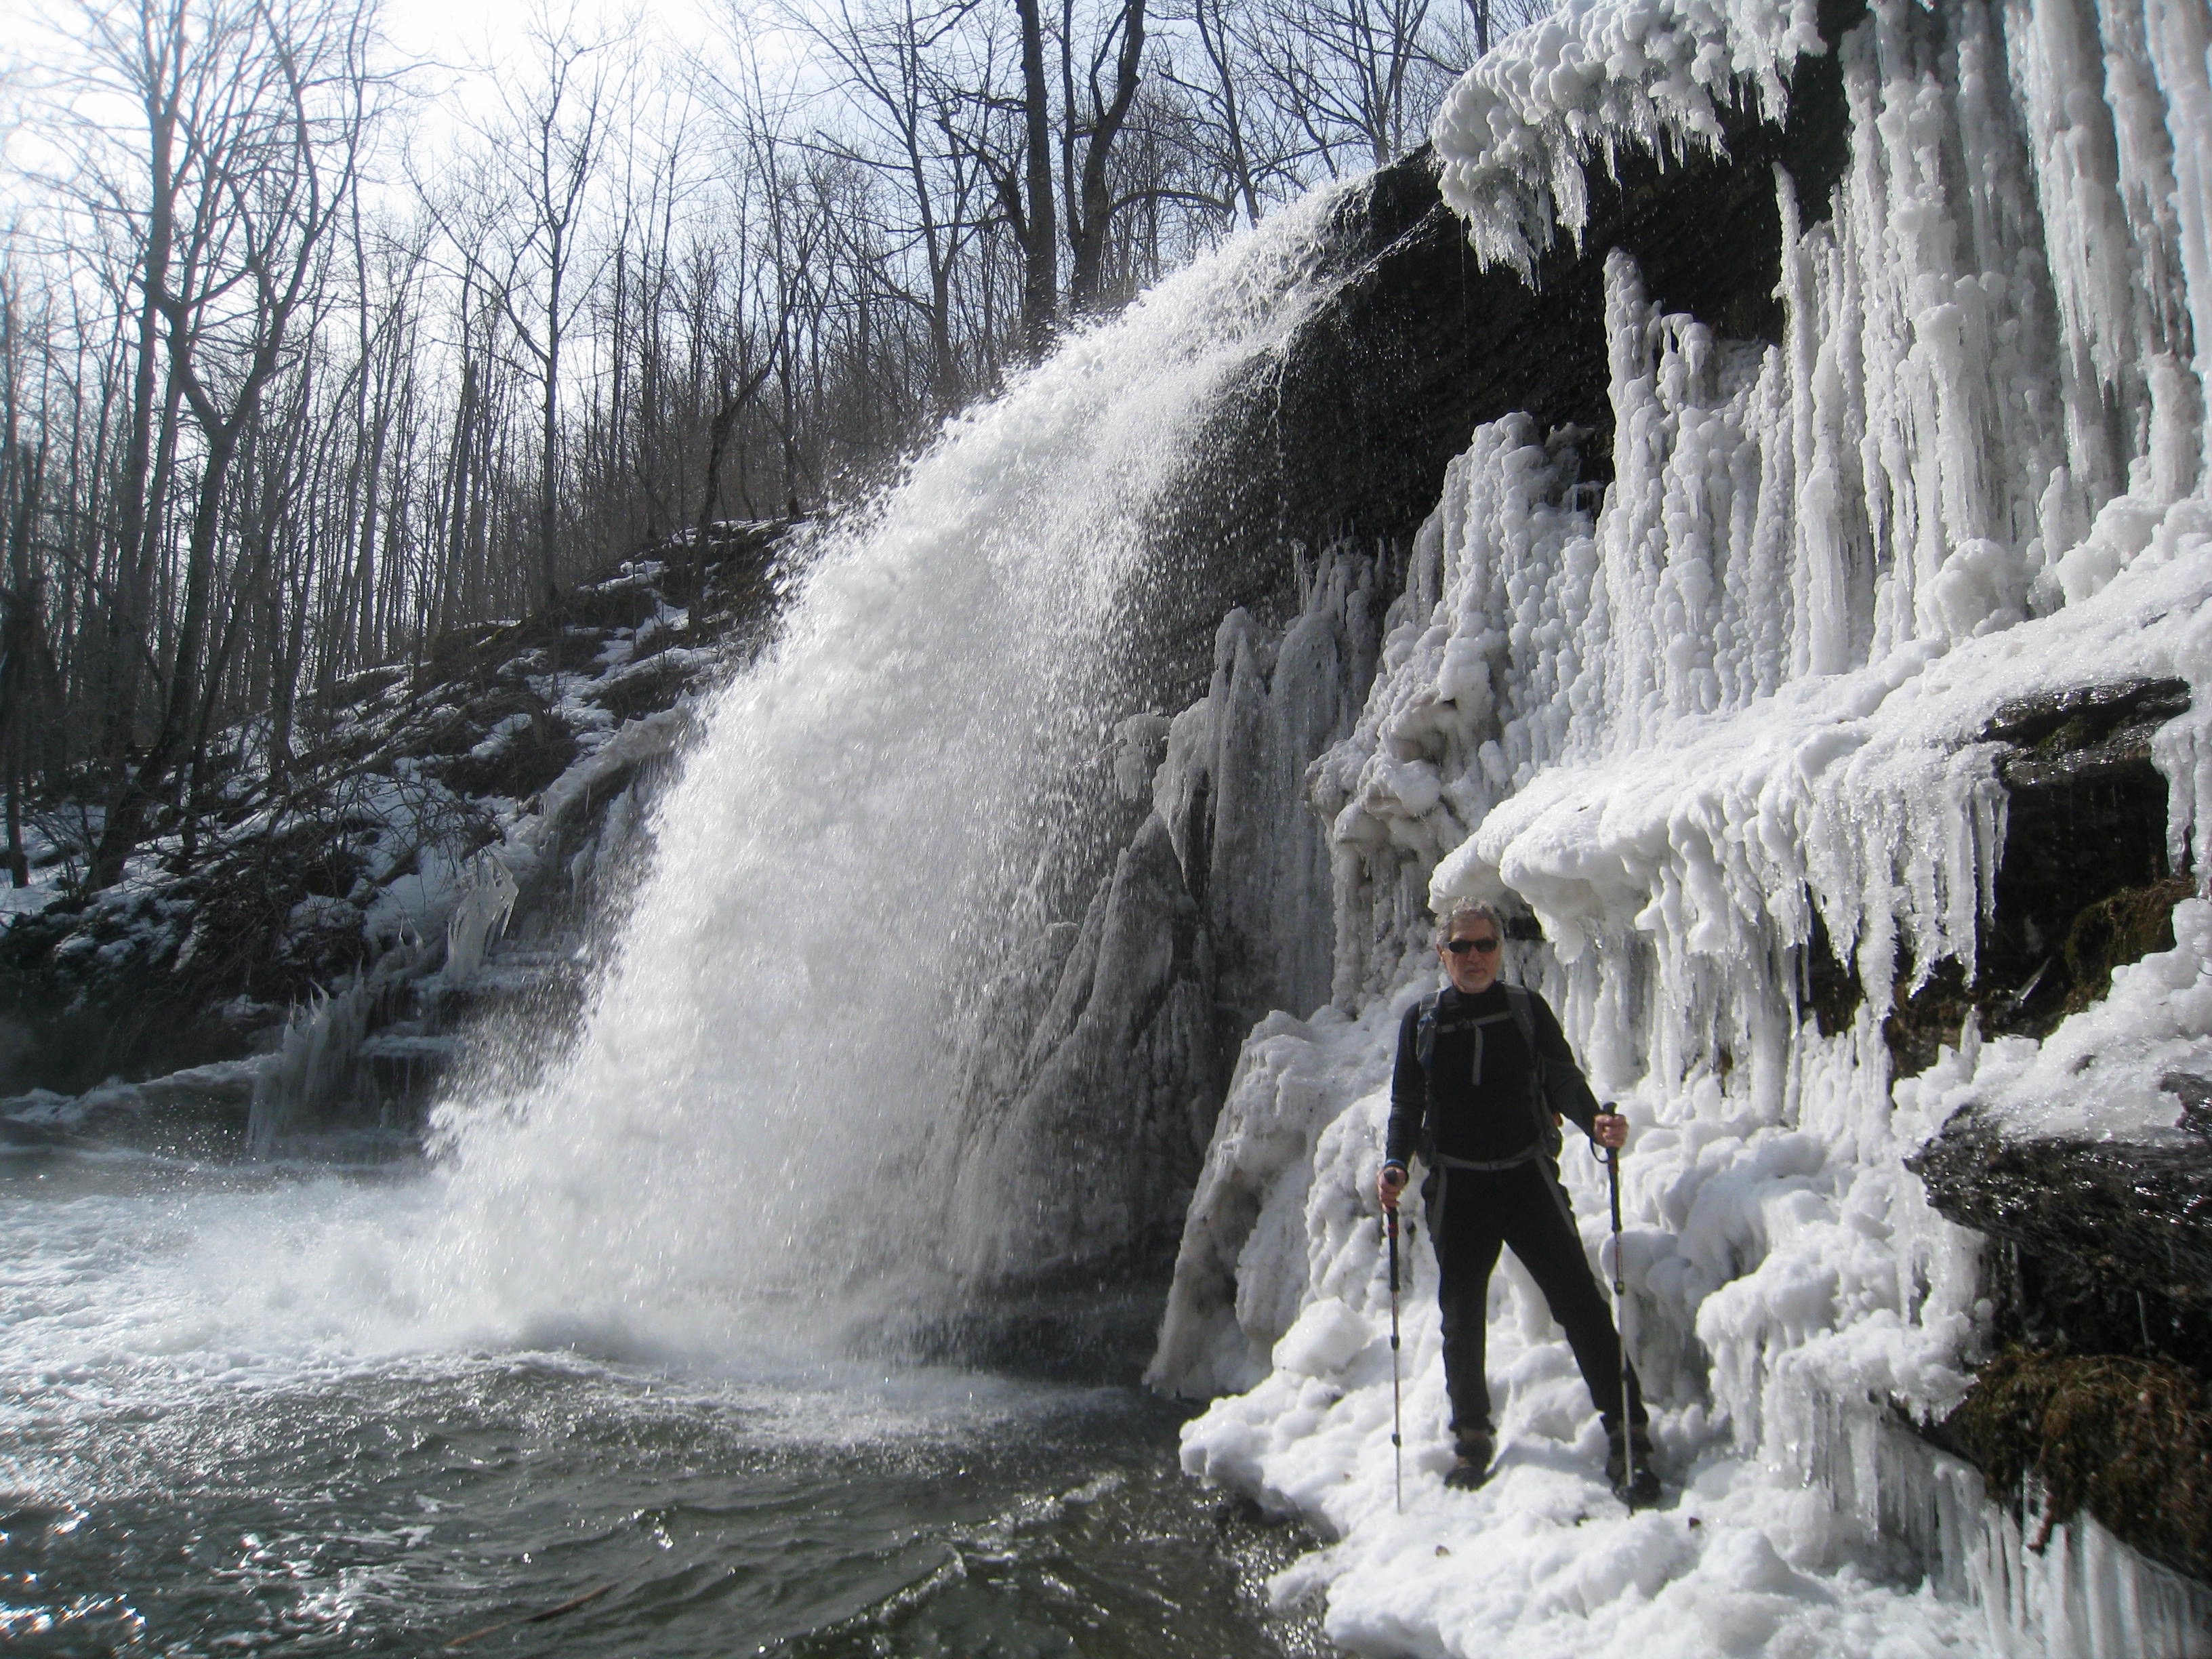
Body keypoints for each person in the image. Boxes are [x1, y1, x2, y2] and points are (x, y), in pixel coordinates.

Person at [1376, 897, 1658, 1502]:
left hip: (1527, 1177)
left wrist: (1596, 1125)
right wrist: (1396, 1164)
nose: (1474, 957)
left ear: (1501, 950)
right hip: (1457, 1185)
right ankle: (1471, 1437)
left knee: (1580, 1302)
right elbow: (1406, 1103)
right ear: (1442, 953)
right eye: (1462, 947)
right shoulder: (1422, 1021)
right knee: (1462, 1318)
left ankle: (1628, 1432)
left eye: (1485, 945)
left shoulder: (1527, 1011)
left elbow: (1563, 1078)